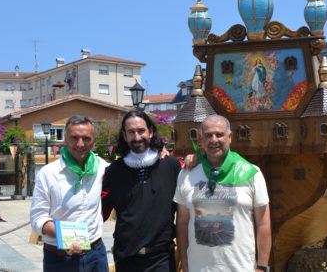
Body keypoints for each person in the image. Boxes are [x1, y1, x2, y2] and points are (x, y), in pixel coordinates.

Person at [174, 114, 272, 272]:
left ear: (230, 137)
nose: (214, 140)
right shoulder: (186, 174)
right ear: (201, 140)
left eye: (219, 134)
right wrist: (185, 266)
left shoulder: (251, 173)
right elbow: (182, 224)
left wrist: (261, 267)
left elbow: (263, 224)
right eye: (208, 135)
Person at [102, 110, 181, 272]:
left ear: (151, 132)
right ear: (124, 135)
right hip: (126, 260)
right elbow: (97, 211)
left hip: (162, 259)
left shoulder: (171, 165)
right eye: (131, 132)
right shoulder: (113, 171)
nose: (137, 137)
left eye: (141, 131)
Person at [30, 115, 109, 272]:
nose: (80, 144)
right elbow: (38, 219)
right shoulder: (48, 173)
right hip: (59, 259)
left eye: (86, 138)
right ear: (65, 139)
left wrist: (157, 150)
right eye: (74, 138)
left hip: (96, 256)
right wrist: (66, 238)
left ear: (94, 141)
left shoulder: (103, 168)